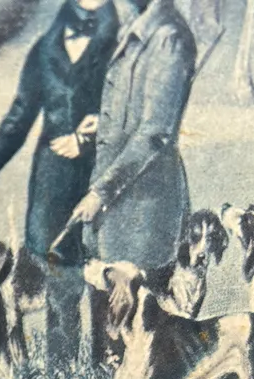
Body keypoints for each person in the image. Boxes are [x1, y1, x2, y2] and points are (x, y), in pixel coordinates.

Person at [0, 0, 119, 379]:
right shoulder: (47, 45)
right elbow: (21, 112)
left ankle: (108, 375)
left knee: (105, 275)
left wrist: (92, 135)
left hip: (103, 176)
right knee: (61, 277)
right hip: (53, 182)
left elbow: (131, 114)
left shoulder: (123, 42)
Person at [67, 0, 196, 299]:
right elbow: (133, 113)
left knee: (140, 318)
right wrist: (104, 123)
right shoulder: (137, 29)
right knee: (107, 313)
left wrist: (101, 192)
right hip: (115, 208)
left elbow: (155, 132)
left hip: (145, 210)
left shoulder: (169, 38)